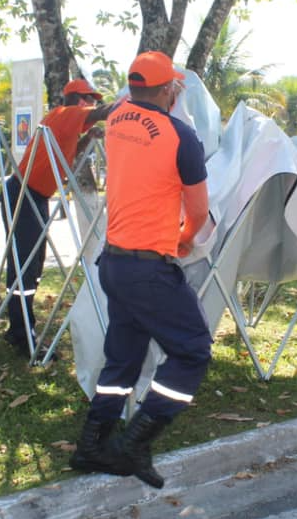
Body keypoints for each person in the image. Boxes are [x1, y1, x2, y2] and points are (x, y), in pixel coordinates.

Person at [68, 51, 212, 490]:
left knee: (124, 359)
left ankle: (92, 445)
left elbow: (126, 106)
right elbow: (200, 211)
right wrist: (184, 238)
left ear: (131, 87)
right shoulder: (182, 137)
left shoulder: (116, 121)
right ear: (169, 88)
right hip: (149, 269)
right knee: (192, 351)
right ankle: (136, 442)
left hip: (113, 262)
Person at [0, 78, 111, 358]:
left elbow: (68, 161)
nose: (93, 105)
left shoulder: (66, 129)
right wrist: (132, 104)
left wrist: (88, 139)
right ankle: (24, 335)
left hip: (33, 197)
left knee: (31, 266)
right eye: (90, 99)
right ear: (79, 100)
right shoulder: (63, 114)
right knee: (25, 266)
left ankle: (17, 329)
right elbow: (101, 113)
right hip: (23, 195)